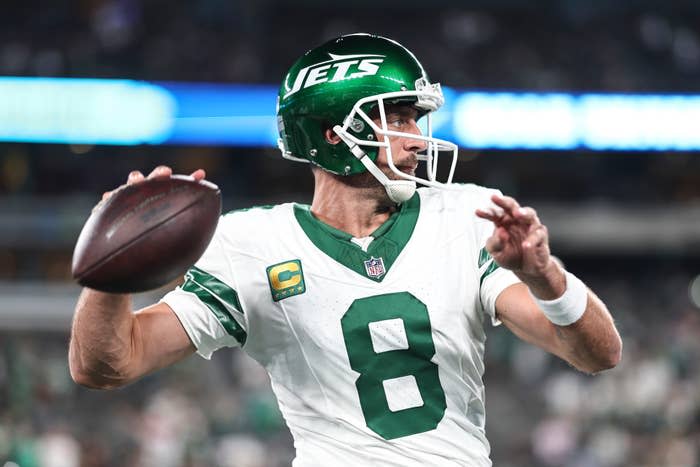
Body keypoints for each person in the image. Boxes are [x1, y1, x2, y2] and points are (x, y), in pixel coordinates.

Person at [69, 33, 622, 466]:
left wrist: (547, 276)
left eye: (416, 118)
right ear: (332, 133)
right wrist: (110, 269)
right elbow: (109, 365)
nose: (416, 137)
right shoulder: (252, 245)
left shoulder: (465, 215)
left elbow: (599, 354)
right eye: (397, 118)